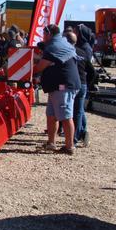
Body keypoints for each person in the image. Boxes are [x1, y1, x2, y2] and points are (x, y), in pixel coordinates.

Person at [34, 24, 80, 155]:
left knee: (65, 116)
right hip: (59, 86)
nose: (42, 37)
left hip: (63, 86)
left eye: (43, 34)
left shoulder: (53, 47)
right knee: (51, 115)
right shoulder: (61, 43)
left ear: (48, 34)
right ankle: (51, 143)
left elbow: (40, 67)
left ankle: (69, 147)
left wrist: (27, 66)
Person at [66, 31, 93, 148]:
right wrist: (88, 83)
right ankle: (81, 132)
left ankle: (75, 138)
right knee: (79, 110)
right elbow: (92, 71)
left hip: (72, 84)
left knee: (70, 112)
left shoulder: (66, 53)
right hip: (83, 84)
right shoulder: (83, 52)